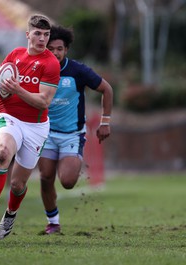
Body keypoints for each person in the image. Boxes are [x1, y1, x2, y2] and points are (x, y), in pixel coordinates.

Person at [0, 14, 61, 240]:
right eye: (37, 34)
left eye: (46, 35)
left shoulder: (51, 63)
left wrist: (17, 89)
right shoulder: (15, 55)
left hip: (36, 127)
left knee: (17, 184)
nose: (42, 39)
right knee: (3, 153)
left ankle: (11, 214)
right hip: (9, 116)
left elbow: (44, 102)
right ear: (28, 34)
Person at [38, 25, 113, 234]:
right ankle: (53, 222)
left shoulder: (77, 71)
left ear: (66, 50)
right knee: (45, 177)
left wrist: (105, 122)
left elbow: (106, 89)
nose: (55, 53)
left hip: (72, 134)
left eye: (59, 48)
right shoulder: (37, 70)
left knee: (68, 182)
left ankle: (72, 160)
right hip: (45, 133)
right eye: (50, 48)